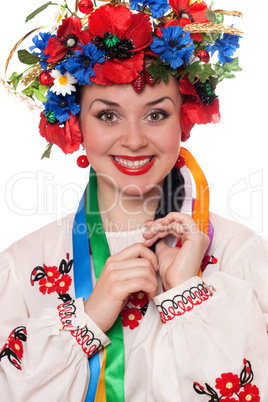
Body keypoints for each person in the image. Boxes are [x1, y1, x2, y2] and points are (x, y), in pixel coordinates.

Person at [0, 1, 268, 401]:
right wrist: (87, 318)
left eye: (156, 115)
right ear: (75, 124)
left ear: (185, 118)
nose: (134, 139)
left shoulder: (240, 254)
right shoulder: (22, 267)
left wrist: (186, 293)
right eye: (108, 116)